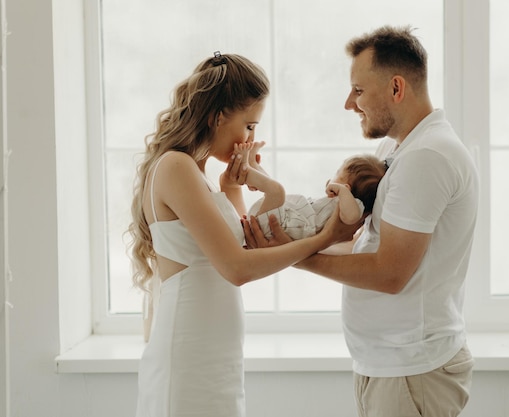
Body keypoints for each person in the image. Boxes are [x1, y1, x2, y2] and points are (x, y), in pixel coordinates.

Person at [244, 26, 479, 417]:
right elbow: (367, 244)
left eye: (358, 90)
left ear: (396, 88)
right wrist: (293, 242)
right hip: (390, 366)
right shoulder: (398, 149)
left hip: (412, 370)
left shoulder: (428, 157)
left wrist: (294, 257)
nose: (349, 104)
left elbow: (390, 273)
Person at [127, 52, 351, 417]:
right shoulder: (176, 166)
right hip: (188, 350)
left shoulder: (198, 173)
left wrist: (243, 186)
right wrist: (325, 238)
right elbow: (237, 267)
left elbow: (245, 241)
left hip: (215, 351)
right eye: (249, 125)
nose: (251, 138)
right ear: (217, 117)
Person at [234, 141, 386, 240]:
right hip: (283, 221)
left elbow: (352, 217)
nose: (333, 177)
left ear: (347, 187)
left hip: (281, 227)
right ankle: (252, 165)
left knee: (277, 191)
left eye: (338, 173)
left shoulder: (353, 205)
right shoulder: (339, 201)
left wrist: (342, 191)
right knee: (276, 193)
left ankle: (245, 169)